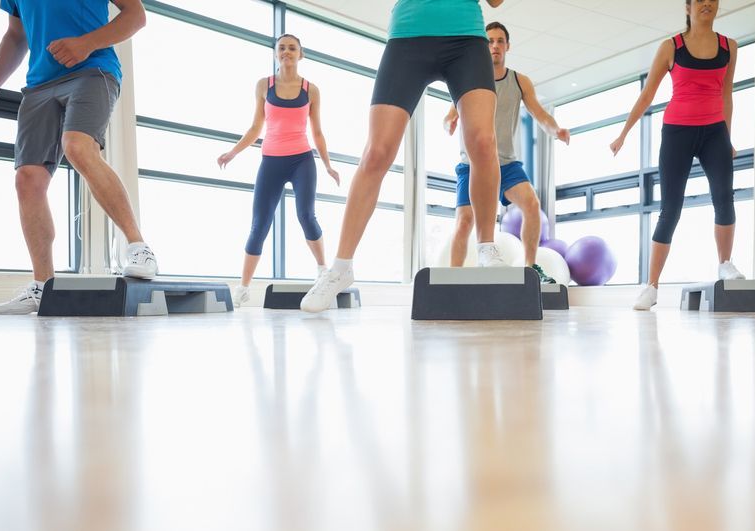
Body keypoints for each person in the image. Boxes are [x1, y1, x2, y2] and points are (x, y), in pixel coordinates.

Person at [299, 0, 505, 313]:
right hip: (408, 34)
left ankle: (487, 248)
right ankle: (340, 268)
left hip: (466, 37)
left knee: (483, 141)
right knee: (377, 152)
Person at [0, 0, 158, 315]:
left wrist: (87, 43)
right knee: (27, 178)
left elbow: (136, 15)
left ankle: (139, 247)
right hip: (39, 84)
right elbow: (16, 35)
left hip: (92, 70)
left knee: (78, 146)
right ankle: (44, 286)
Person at [609, 0, 744, 311]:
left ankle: (725, 263)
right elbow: (647, 94)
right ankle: (652, 286)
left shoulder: (729, 47)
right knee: (670, 208)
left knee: (724, 197)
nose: (706, 3)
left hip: (714, 132)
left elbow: (726, 94)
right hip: (677, 133)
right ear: (688, 7)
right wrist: (624, 134)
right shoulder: (672, 46)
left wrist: (728, 137)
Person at [218, 35, 340, 307]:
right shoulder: (264, 85)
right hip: (271, 161)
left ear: (301, 54)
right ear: (276, 54)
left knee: (306, 215)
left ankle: (323, 272)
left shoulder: (311, 90)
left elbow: (317, 132)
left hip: (302, 161)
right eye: (282, 48)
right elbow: (255, 128)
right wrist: (233, 152)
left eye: (292, 48)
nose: (286, 52)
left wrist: (328, 164)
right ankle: (244, 288)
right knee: (259, 224)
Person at [443, 21, 570, 283]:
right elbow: (450, 114)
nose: (495, 46)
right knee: (465, 220)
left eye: (500, 41)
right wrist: (449, 122)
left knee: (532, 205)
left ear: (507, 46)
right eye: (490, 41)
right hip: (473, 165)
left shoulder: (519, 81)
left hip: (506, 164)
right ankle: (451, 280)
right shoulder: (470, 79)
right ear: (483, 46)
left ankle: (530, 266)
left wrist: (555, 130)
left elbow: (538, 112)